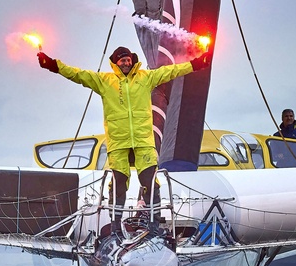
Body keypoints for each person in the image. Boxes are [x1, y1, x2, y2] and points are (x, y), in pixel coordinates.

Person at [38, 45, 211, 232]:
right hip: (118, 142)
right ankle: (115, 227)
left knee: (150, 181)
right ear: (115, 63)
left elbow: (171, 71)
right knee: (118, 184)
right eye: (122, 60)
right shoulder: (104, 81)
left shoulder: (146, 77)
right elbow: (78, 75)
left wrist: (195, 64)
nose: (126, 63)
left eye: (128, 59)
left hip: (143, 141)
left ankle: (154, 225)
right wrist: (54, 65)